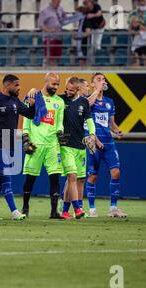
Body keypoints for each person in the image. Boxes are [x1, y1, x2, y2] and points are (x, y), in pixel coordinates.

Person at [0, 74, 35, 221]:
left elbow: (29, 115)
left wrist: (32, 105)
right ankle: (14, 211)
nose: (19, 88)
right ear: (7, 85)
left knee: (0, 179)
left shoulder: (15, 101)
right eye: (16, 85)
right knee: (6, 177)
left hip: (11, 144)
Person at [22, 73, 66, 219]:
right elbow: (27, 119)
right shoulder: (34, 96)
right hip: (35, 144)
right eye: (53, 84)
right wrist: (26, 138)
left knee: (55, 178)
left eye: (57, 84)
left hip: (52, 145)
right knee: (30, 179)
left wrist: (60, 133)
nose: (55, 87)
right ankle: (25, 207)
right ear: (46, 81)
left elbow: (59, 122)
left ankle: (54, 212)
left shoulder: (59, 102)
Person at [86, 73, 127, 218]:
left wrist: (117, 130)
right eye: (98, 79)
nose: (102, 81)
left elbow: (111, 123)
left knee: (116, 172)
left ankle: (113, 208)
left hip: (108, 142)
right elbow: (88, 105)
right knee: (93, 176)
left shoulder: (109, 101)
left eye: (103, 79)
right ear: (92, 84)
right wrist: (96, 90)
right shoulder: (88, 100)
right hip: (93, 142)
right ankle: (91, 209)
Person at [58, 77, 96, 219]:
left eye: (71, 90)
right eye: (66, 89)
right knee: (72, 176)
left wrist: (92, 134)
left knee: (78, 179)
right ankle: (77, 208)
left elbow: (89, 121)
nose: (67, 92)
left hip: (80, 147)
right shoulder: (60, 100)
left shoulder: (84, 103)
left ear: (78, 90)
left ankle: (66, 211)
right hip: (65, 146)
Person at [38, 0, 66, 67]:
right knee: (48, 56)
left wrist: (65, 17)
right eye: (57, 2)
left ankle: (54, 71)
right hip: (49, 38)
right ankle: (45, 71)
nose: (58, 4)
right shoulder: (44, 11)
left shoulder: (60, 9)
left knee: (56, 57)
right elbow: (40, 24)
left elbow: (64, 18)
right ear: (53, 1)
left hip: (59, 37)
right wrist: (48, 30)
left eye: (59, 2)